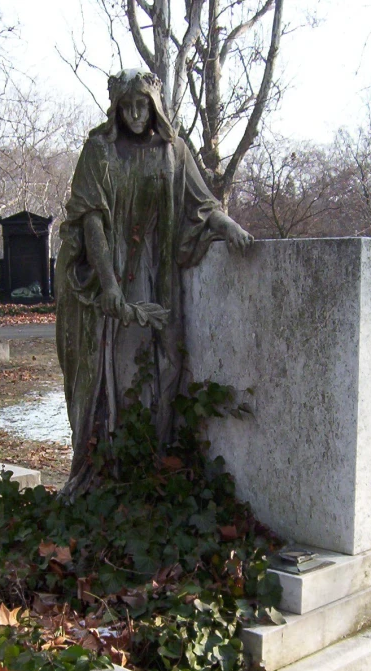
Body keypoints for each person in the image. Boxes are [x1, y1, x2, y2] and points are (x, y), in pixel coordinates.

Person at [56, 68, 253, 498]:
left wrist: (227, 225)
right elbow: (90, 219)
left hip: (156, 275)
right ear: (115, 110)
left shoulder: (173, 152)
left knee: (160, 371)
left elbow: (199, 204)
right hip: (114, 279)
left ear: (155, 106)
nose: (134, 114)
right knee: (118, 375)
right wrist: (108, 286)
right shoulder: (99, 152)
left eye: (141, 105)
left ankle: (147, 465)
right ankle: (108, 471)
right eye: (126, 107)